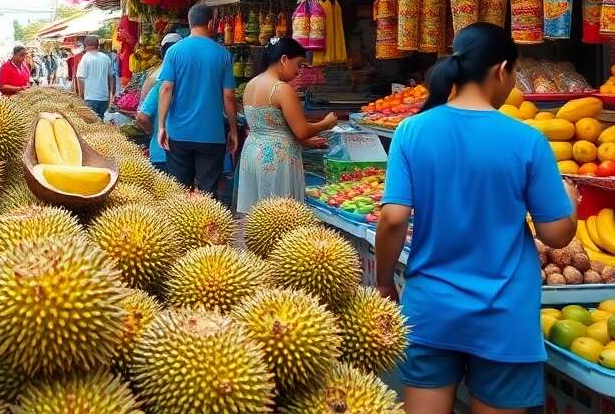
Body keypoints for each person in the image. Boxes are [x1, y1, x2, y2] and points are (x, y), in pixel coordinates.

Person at [375, 23, 577, 414]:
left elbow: (393, 218)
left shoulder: (412, 130)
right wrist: (570, 203)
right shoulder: (527, 139)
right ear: (502, 70)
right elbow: (555, 235)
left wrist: (385, 282)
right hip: (504, 316)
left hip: (430, 309)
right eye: (515, 73)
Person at [237, 38, 338, 214]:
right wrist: (326, 123)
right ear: (284, 59)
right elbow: (302, 131)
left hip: (252, 153)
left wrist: (305, 142)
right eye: (298, 64)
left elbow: (271, 125)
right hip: (276, 159)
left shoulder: (251, 85)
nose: (299, 72)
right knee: (281, 216)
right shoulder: (281, 89)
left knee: (257, 217)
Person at [156, 4, 238, 196]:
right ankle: (209, 225)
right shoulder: (223, 54)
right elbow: (229, 96)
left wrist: (161, 126)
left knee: (179, 190)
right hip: (212, 135)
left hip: (178, 133)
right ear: (211, 23)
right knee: (208, 192)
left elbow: (166, 88)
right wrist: (233, 129)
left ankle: (175, 225)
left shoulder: (174, 51)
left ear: (190, 23)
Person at [135, 34, 180, 165]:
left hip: (161, 150)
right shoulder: (193, 82)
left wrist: (152, 131)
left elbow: (142, 116)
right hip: (182, 152)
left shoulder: (156, 79)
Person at [75, 35, 115, 118]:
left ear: (85, 46)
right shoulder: (106, 58)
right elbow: (111, 78)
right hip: (104, 98)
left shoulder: (85, 58)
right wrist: (111, 95)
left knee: (91, 125)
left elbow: (80, 78)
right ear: (98, 45)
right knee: (100, 121)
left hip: (90, 97)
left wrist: (81, 96)